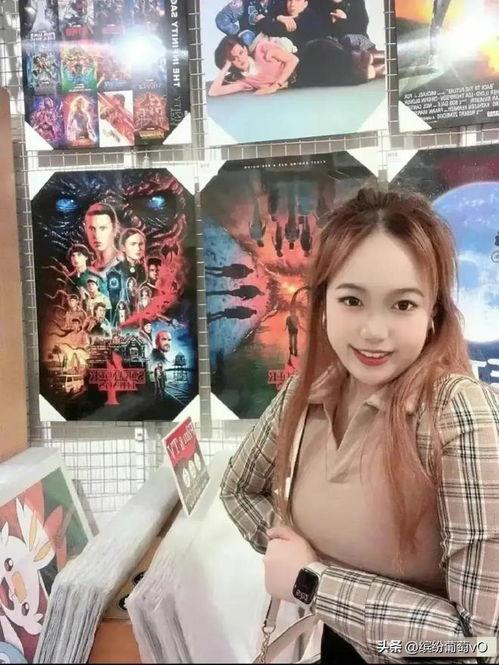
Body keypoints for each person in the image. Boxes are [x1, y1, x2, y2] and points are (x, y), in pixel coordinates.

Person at [220, 188, 499, 663]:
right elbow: (239, 490)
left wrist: (314, 583)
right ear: (322, 302)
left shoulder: (457, 412)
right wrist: (291, 553)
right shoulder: (307, 392)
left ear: (433, 314)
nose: (374, 332)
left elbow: (477, 644)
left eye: (402, 305)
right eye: (352, 300)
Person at [209, 35, 299, 97]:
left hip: (300, 69)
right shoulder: (244, 81)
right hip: (295, 87)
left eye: (241, 52)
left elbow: (293, 60)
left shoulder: (261, 49)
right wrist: (226, 66)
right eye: (234, 58)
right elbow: (213, 92)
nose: (240, 59)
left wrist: (274, 86)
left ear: (245, 49)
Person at [83, 202, 121, 279]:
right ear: (86, 229)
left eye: (103, 228)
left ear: (114, 228)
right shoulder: (87, 270)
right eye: (92, 229)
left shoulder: (124, 263)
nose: (97, 235)